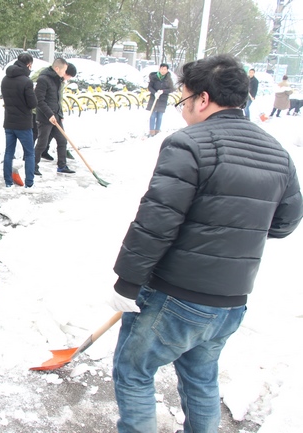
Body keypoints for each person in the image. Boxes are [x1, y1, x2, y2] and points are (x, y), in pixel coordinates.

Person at [109, 54, 303, 433]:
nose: (182, 112)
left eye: (183, 100)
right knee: (200, 378)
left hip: (176, 297)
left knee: (133, 372)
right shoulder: (277, 153)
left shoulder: (189, 143)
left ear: (202, 98)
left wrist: (126, 281)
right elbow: (285, 222)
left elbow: (156, 220)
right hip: (230, 303)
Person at [1, 52, 38, 188]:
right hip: (23, 124)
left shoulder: (5, 79)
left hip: (9, 121)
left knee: (8, 152)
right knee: (29, 153)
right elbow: (32, 103)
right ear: (28, 64)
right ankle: (29, 183)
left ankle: (8, 182)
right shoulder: (26, 81)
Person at [34, 58, 73, 176]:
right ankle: (33, 166)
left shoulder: (57, 80)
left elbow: (57, 99)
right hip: (45, 117)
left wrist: (59, 114)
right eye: (64, 70)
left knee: (62, 140)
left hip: (56, 115)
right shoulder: (43, 79)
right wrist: (49, 114)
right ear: (57, 68)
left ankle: (62, 166)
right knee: (42, 142)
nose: (64, 73)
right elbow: (39, 100)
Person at [146, 63, 175, 136]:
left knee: (159, 116)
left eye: (165, 69)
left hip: (162, 100)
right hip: (154, 99)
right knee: (152, 116)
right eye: (162, 69)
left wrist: (163, 91)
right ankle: (151, 131)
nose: (163, 70)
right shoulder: (154, 77)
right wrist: (155, 93)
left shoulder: (168, 79)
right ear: (159, 69)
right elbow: (150, 87)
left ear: (167, 70)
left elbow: (171, 89)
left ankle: (157, 131)